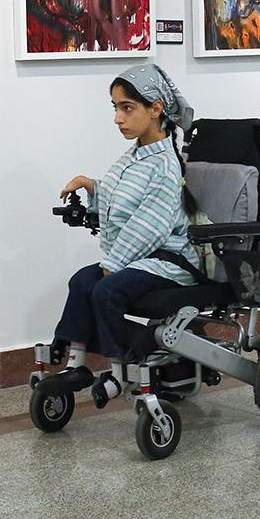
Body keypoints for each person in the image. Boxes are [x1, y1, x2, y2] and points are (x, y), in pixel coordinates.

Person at [53, 63, 200, 407]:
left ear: (156, 109)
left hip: (168, 262)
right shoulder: (135, 156)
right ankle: (75, 361)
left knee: (106, 289)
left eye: (127, 108)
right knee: (81, 281)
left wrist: (114, 263)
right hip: (141, 259)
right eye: (116, 108)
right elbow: (121, 199)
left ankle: (119, 371)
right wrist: (91, 186)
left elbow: (149, 226)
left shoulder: (165, 166)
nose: (118, 118)